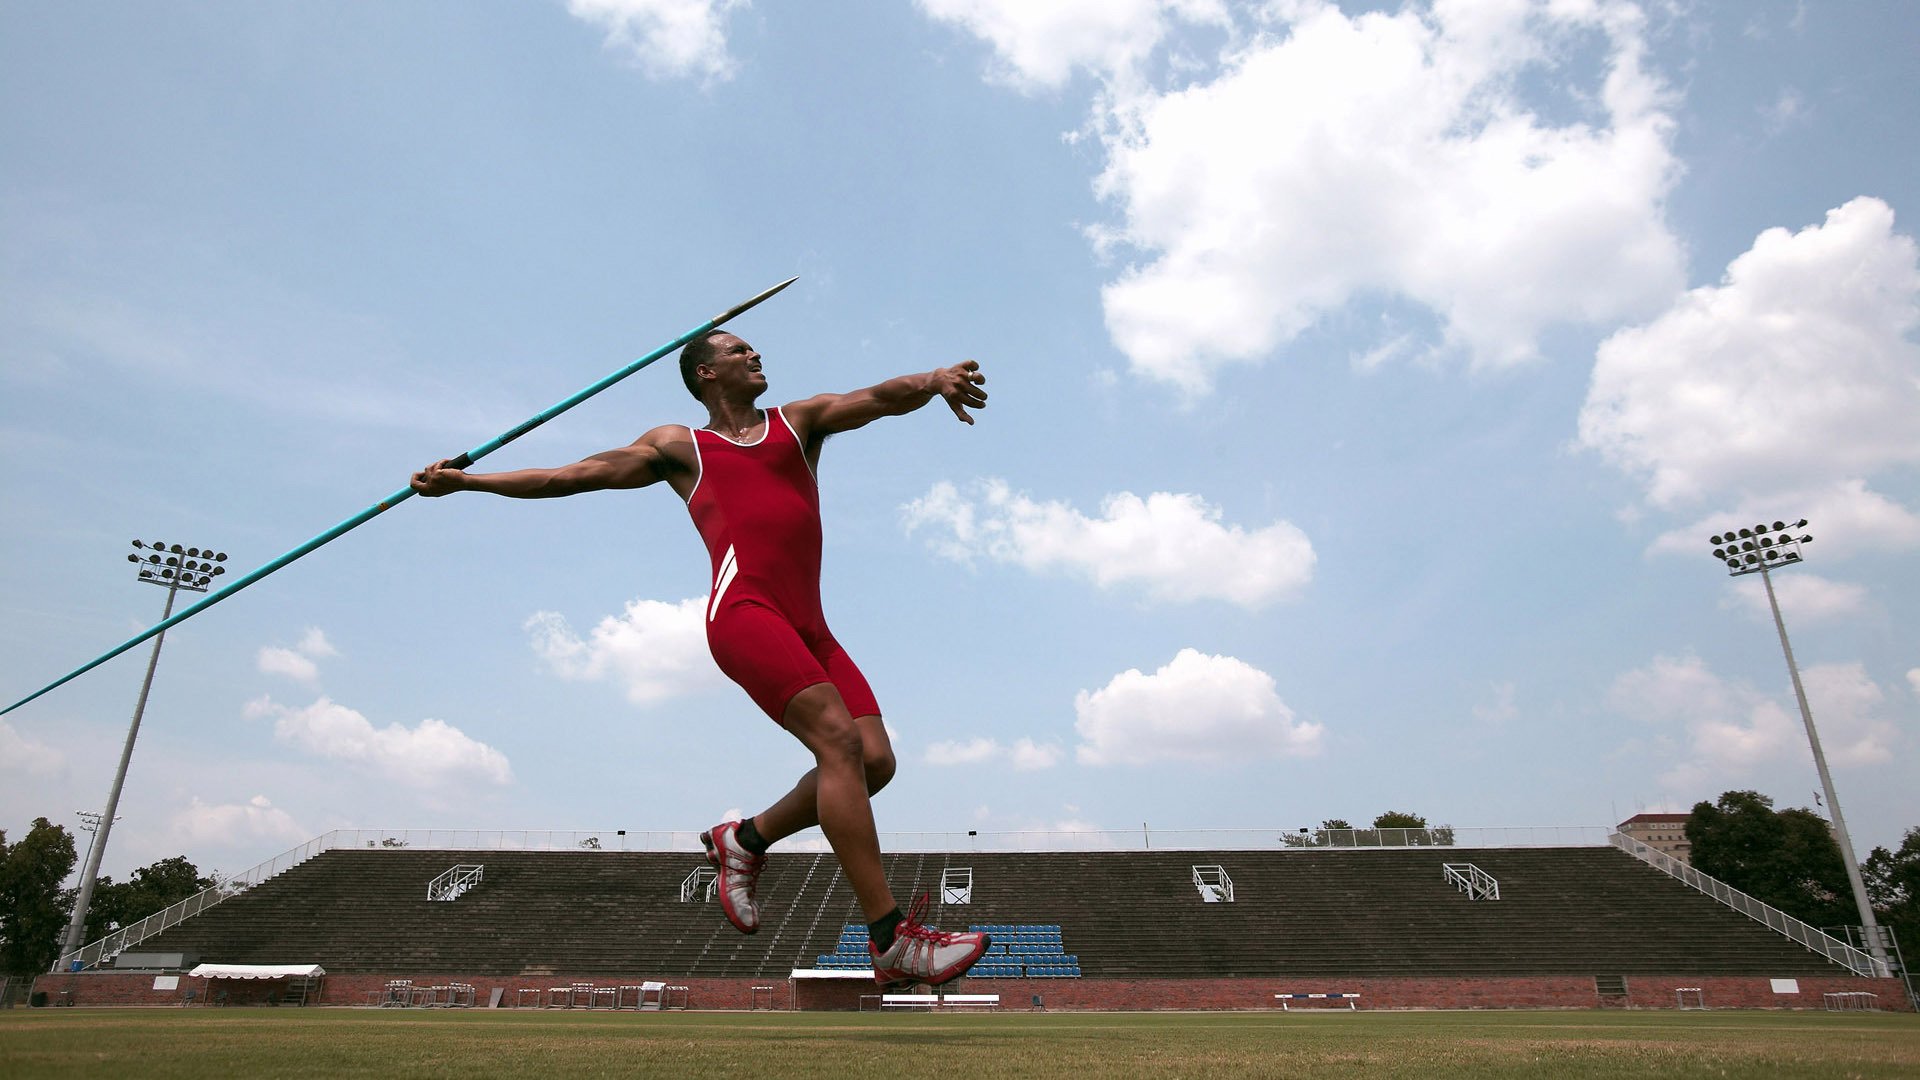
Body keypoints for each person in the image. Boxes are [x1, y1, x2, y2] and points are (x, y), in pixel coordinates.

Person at [410, 329, 991, 987]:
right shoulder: (679, 446)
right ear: (705, 372)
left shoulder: (798, 423)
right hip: (745, 612)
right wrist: (469, 482)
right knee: (839, 741)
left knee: (874, 762)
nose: (755, 354)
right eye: (738, 350)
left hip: (812, 627)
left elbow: (878, 398)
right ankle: (889, 938)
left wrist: (933, 380)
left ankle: (744, 840)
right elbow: (571, 476)